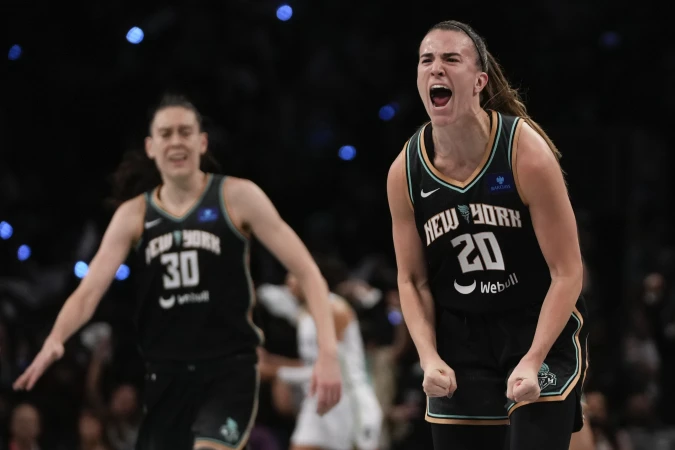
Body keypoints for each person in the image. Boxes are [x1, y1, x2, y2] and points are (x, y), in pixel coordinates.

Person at [13, 94, 343, 450]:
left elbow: (308, 272)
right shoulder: (133, 214)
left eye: (185, 132)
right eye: (166, 134)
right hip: (166, 376)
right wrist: (55, 338)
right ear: (151, 147)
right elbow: (88, 292)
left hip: (228, 371)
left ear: (202, 142)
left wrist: (327, 353)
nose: (176, 141)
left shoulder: (238, 197)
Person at [386, 20, 589, 450]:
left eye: (450, 59)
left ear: (479, 82)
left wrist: (533, 359)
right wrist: (429, 357)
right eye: (426, 60)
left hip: (536, 326)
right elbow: (411, 279)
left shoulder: (524, 153)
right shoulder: (405, 171)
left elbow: (568, 271)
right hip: (461, 339)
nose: (435, 69)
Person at [258, 271, 383, 450]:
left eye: (294, 275)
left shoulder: (335, 309)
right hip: (318, 399)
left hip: (346, 400)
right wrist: (270, 361)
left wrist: (276, 372)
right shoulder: (303, 312)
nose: (289, 284)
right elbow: (311, 364)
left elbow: (332, 369)